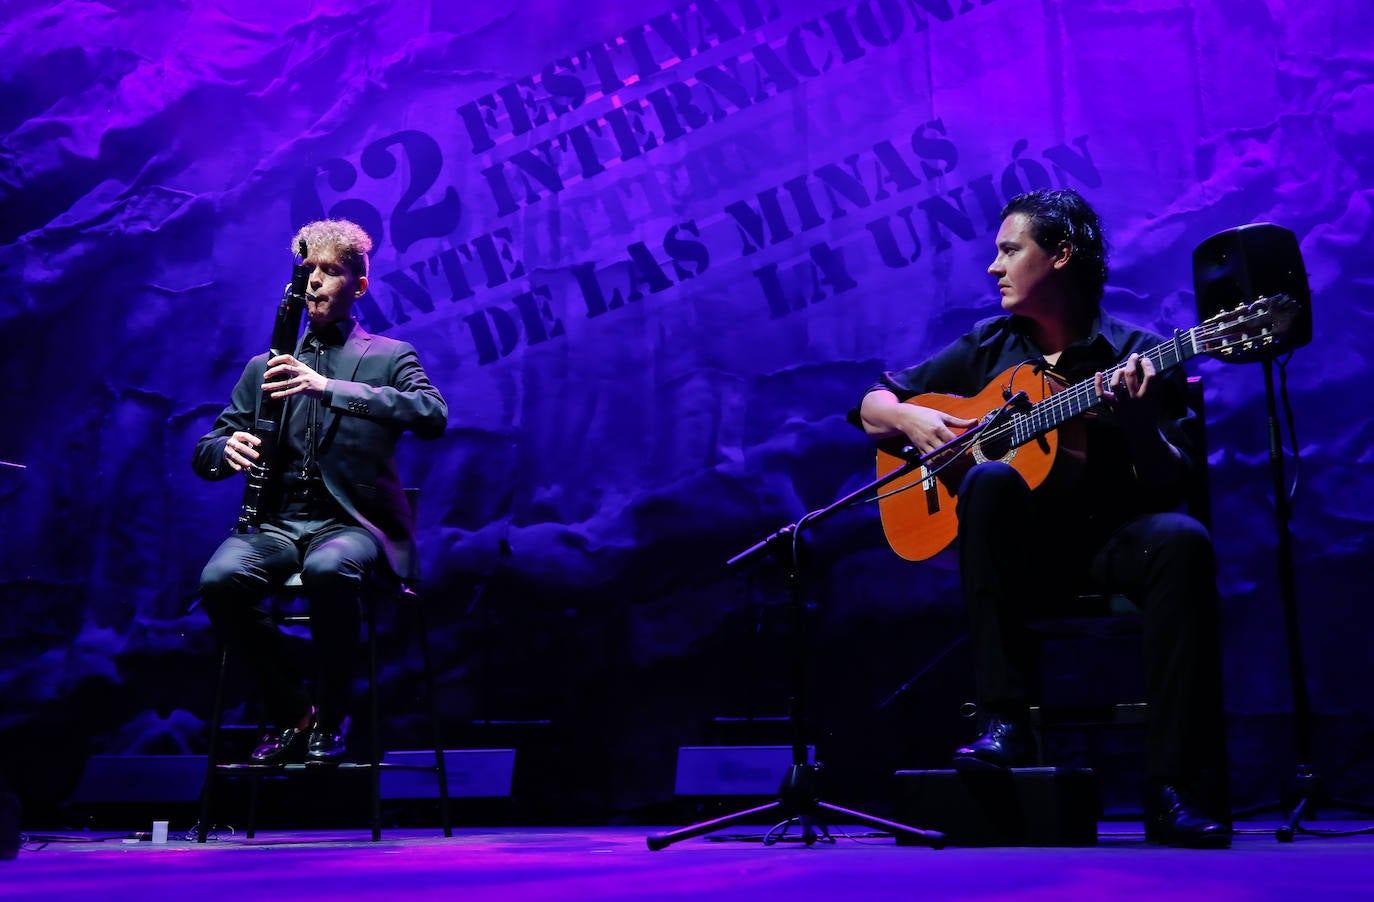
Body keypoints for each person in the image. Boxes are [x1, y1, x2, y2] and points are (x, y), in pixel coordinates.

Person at [854, 189, 1230, 848]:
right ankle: (1005, 723)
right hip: (1014, 558)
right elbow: (869, 407)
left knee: (1183, 539)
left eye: (1009, 250)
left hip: (1104, 544)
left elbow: (1173, 480)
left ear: (1059, 255)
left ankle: (1174, 787)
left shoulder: (1133, 351)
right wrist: (912, 418)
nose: (995, 267)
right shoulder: (989, 346)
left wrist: (1141, 424)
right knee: (994, 479)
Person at [193, 219, 447, 764]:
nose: (313, 282)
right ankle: (294, 710)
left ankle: (333, 714)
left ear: (358, 284)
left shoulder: (388, 355)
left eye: (329, 271)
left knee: (332, 571)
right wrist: (226, 448)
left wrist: (331, 388)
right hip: (278, 525)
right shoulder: (264, 365)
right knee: (218, 581)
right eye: (307, 270)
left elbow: (431, 415)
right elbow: (208, 448)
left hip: (352, 524)